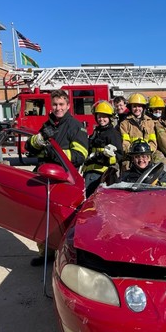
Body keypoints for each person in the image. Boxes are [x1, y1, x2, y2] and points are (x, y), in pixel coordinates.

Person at [24, 89, 89, 266]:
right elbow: (29, 147)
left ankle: (66, 255)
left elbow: (80, 155)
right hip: (43, 177)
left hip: (64, 179)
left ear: (68, 105)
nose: (58, 108)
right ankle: (46, 254)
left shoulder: (75, 126)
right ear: (50, 106)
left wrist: (55, 153)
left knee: (61, 218)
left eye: (61, 104)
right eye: (55, 105)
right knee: (42, 215)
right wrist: (38, 141)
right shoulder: (48, 124)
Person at [82, 101, 123, 197]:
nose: (101, 119)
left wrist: (103, 157)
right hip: (89, 172)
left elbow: (119, 155)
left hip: (102, 174)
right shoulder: (96, 132)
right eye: (99, 116)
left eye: (104, 116)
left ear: (110, 117)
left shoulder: (113, 133)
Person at [118, 93, 157, 167]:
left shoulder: (150, 122)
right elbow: (125, 142)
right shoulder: (124, 123)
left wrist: (146, 152)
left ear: (143, 108)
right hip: (131, 157)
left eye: (139, 106)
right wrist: (134, 152)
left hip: (147, 156)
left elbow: (153, 141)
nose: (137, 109)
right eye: (134, 106)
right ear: (130, 107)